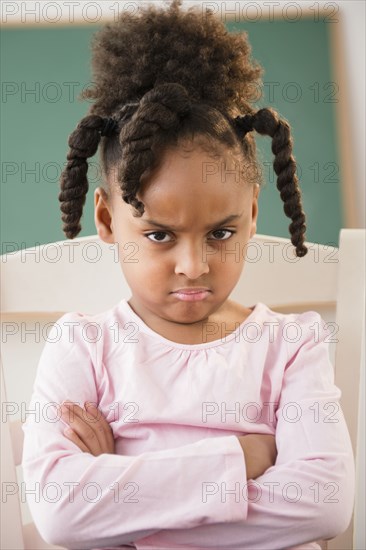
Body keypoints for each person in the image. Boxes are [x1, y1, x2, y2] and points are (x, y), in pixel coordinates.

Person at [21, 1, 355, 549]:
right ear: (106, 218)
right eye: (159, 235)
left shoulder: (292, 344)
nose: (194, 266)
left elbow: (324, 505)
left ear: (251, 212)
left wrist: (125, 484)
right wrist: (241, 458)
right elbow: (62, 514)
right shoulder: (82, 344)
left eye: (220, 233)